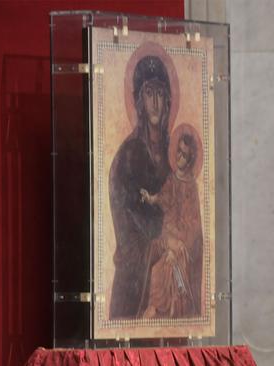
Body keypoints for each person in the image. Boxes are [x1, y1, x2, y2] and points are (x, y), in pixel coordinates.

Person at [108, 55, 172, 319]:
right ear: (139, 102)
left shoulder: (175, 151)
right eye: (148, 93)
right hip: (134, 281)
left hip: (166, 274)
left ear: (168, 99)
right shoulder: (130, 154)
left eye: (160, 93)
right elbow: (135, 224)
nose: (155, 102)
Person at [139, 130, 204, 319]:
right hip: (167, 236)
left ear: (190, 160)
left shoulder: (191, 186)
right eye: (178, 152)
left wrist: (177, 246)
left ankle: (157, 307)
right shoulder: (172, 178)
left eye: (184, 155)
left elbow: (194, 223)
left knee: (161, 270)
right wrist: (150, 198)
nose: (179, 157)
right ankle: (153, 306)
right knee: (151, 260)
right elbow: (163, 197)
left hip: (182, 243)